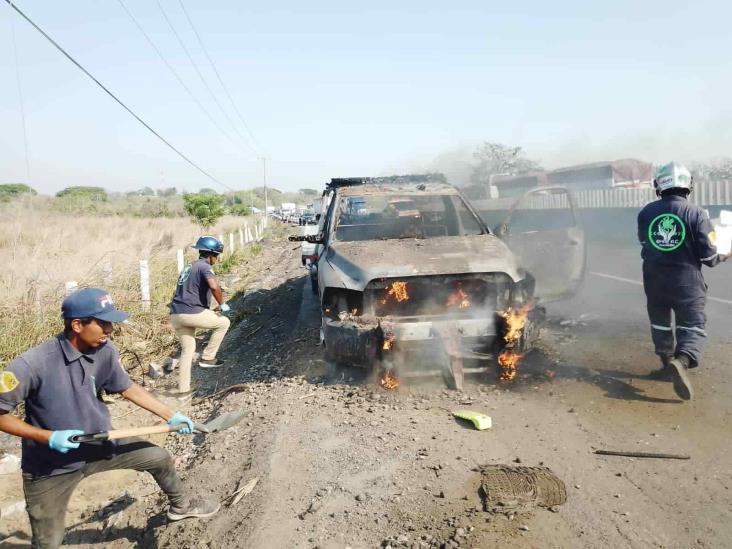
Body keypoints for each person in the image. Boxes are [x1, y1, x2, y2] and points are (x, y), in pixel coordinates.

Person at [0, 288, 219, 549]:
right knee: (48, 542)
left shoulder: (104, 350)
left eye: (111, 323)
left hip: (100, 443)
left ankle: (181, 506)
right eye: (103, 323)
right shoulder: (33, 364)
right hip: (51, 467)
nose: (110, 329)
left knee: (158, 458)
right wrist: (49, 437)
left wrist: (172, 416)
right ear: (78, 325)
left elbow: (126, 387)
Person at [637, 162, 728, 400]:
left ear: (658, 185)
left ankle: (666, 362)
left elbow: (645, 243)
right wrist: (725, 253)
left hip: (654, 279)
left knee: (660, 323)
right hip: (685, 279)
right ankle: (682, 360)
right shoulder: (696, 213)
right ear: (688, 185)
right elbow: (709, 256)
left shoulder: (646, 212)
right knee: (692, 323)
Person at [169, 236, 231, 398]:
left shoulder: (189, 267)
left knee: (187, 351)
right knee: (223, 322)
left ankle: (183, 392)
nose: (217, 259)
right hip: (191, 313)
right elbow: (214, 286)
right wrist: (222, 304)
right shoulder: (204, 267)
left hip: (176, 314)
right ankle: (208, 358)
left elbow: (190, 291)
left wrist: (209, 307)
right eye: (216, 255)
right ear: (210, 254)